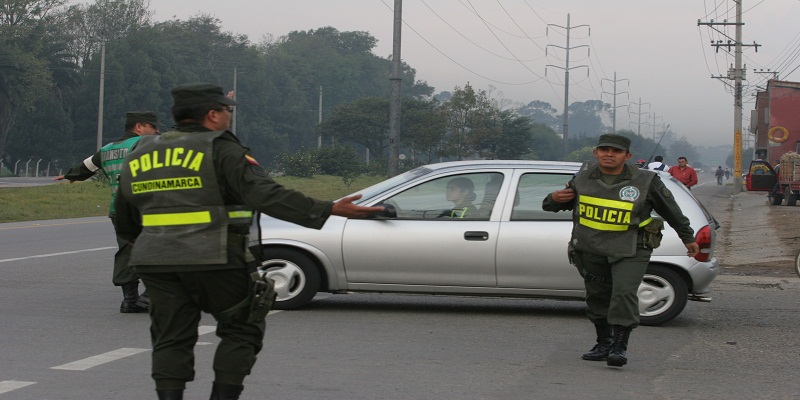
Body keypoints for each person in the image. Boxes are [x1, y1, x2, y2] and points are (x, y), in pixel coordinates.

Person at [113, 82, 384, 400]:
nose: (229, 116)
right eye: (227, 110)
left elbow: (124, 213)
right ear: (212, 115)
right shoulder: (222, 149)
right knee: (243, 325)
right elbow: (264, 194)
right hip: (215, 255)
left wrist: (140, 242)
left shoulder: (142, 151)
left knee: (170, 337)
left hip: (155, 260)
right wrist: (329, 209)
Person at [541, 134, 699, 368]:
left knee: (623, 294)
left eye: (615, 151)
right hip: (591, 248)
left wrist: (688, 237)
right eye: (604, 149)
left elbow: (672, 211)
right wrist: (552, 198)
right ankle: (603, 343)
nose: (609, 154)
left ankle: (619, 346)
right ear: (596, 153)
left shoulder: (646, 180)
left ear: (627, 156)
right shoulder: (582, 178)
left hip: (632, 247)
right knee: (597, 297)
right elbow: (554, 205)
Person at [54, 110, 161, 313]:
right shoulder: (143, 144)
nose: (156, 132)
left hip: (118, 210)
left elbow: (87, 167)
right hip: (144, 208)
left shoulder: (108, 149)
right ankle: (150, 296)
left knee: (127, 252)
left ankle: (130, 300)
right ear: (139, 127)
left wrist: (69, 175)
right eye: (153, 127)